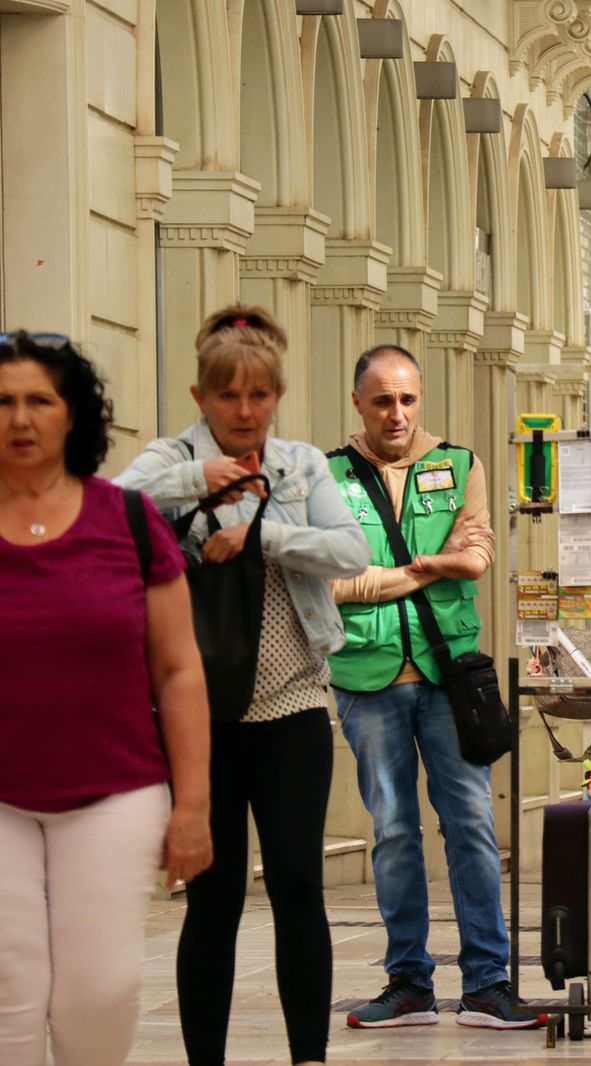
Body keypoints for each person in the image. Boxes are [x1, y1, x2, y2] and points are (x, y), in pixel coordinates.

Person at [116, 306, 369, 1066]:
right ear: (201, 394)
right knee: (214, 898)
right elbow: (111, 506)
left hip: (292, 708)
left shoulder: (300, 466)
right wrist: (199, 479)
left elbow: (351, 552)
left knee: (298, 885)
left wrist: (264, 533)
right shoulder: (169, 460)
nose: (245, 411)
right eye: (229, 395)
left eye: (260, 395)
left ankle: (308, 1058)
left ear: (277, 395)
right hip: (201, 719)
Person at [0, 333, 212, 1066]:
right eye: (2, 401)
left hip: (114, 793)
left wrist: (192, 806)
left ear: (72, 416)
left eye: (38, 400)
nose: (19, 418)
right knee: (8, 991)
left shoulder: (124, 519)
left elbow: (180, 669)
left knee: (101, 990)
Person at [326, 344, 541, 1029]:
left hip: (449, 674)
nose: (397, 413)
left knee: (472, 826)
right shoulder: (329, 478)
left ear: (422, 399)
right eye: (383, 400)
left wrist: (399, 575)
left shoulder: (460, 465)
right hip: (368, 677)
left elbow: (476, 560)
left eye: (408, 399)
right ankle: (409, 984)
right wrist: (426, 569)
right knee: (393, 832)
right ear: (358, 402)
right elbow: (327, 583)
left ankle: (487, 984)